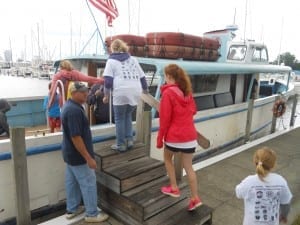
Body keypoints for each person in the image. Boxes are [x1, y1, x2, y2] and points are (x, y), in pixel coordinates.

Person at [60, 82, 109, 223]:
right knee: (88, 182)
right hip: (78, 156)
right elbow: (76, 137)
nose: (86, 94)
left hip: (70, 154)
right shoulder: (74, 111)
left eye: (86, 91)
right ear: (73, 93)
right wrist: (88, 158)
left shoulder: (69, 106)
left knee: (72, 182)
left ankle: (72, 209)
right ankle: (92, 214)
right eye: (82, 92)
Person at [156, 64, 202, 211]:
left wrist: (159, 139)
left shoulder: (168, 94)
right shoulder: (187, 92)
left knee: (168, 159)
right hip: (190, 137)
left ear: (170, 77)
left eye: (165, 76)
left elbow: (165, 119)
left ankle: (174, 188)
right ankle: (195, 198)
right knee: (189, 167)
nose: (164, 79)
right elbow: (193, 110)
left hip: (174, 137)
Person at [102, 39, 148, 152]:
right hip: (135, 91)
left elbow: (108, 81)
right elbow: (142, 77)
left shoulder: (111, 61)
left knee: (119, 118)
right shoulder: (133, 59)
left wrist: (106, 95)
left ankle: (120, 144)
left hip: (121, 91)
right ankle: (130, 140)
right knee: (127, 115)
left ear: (112, 49)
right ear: (124, 47)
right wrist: (145, 90)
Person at [235, 147, 292, 225]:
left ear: (255, 162)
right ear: (273, 164)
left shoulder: (248, 181)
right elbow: (286, 203)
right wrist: (284, 215)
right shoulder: (280, 181)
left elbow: (239, 193)